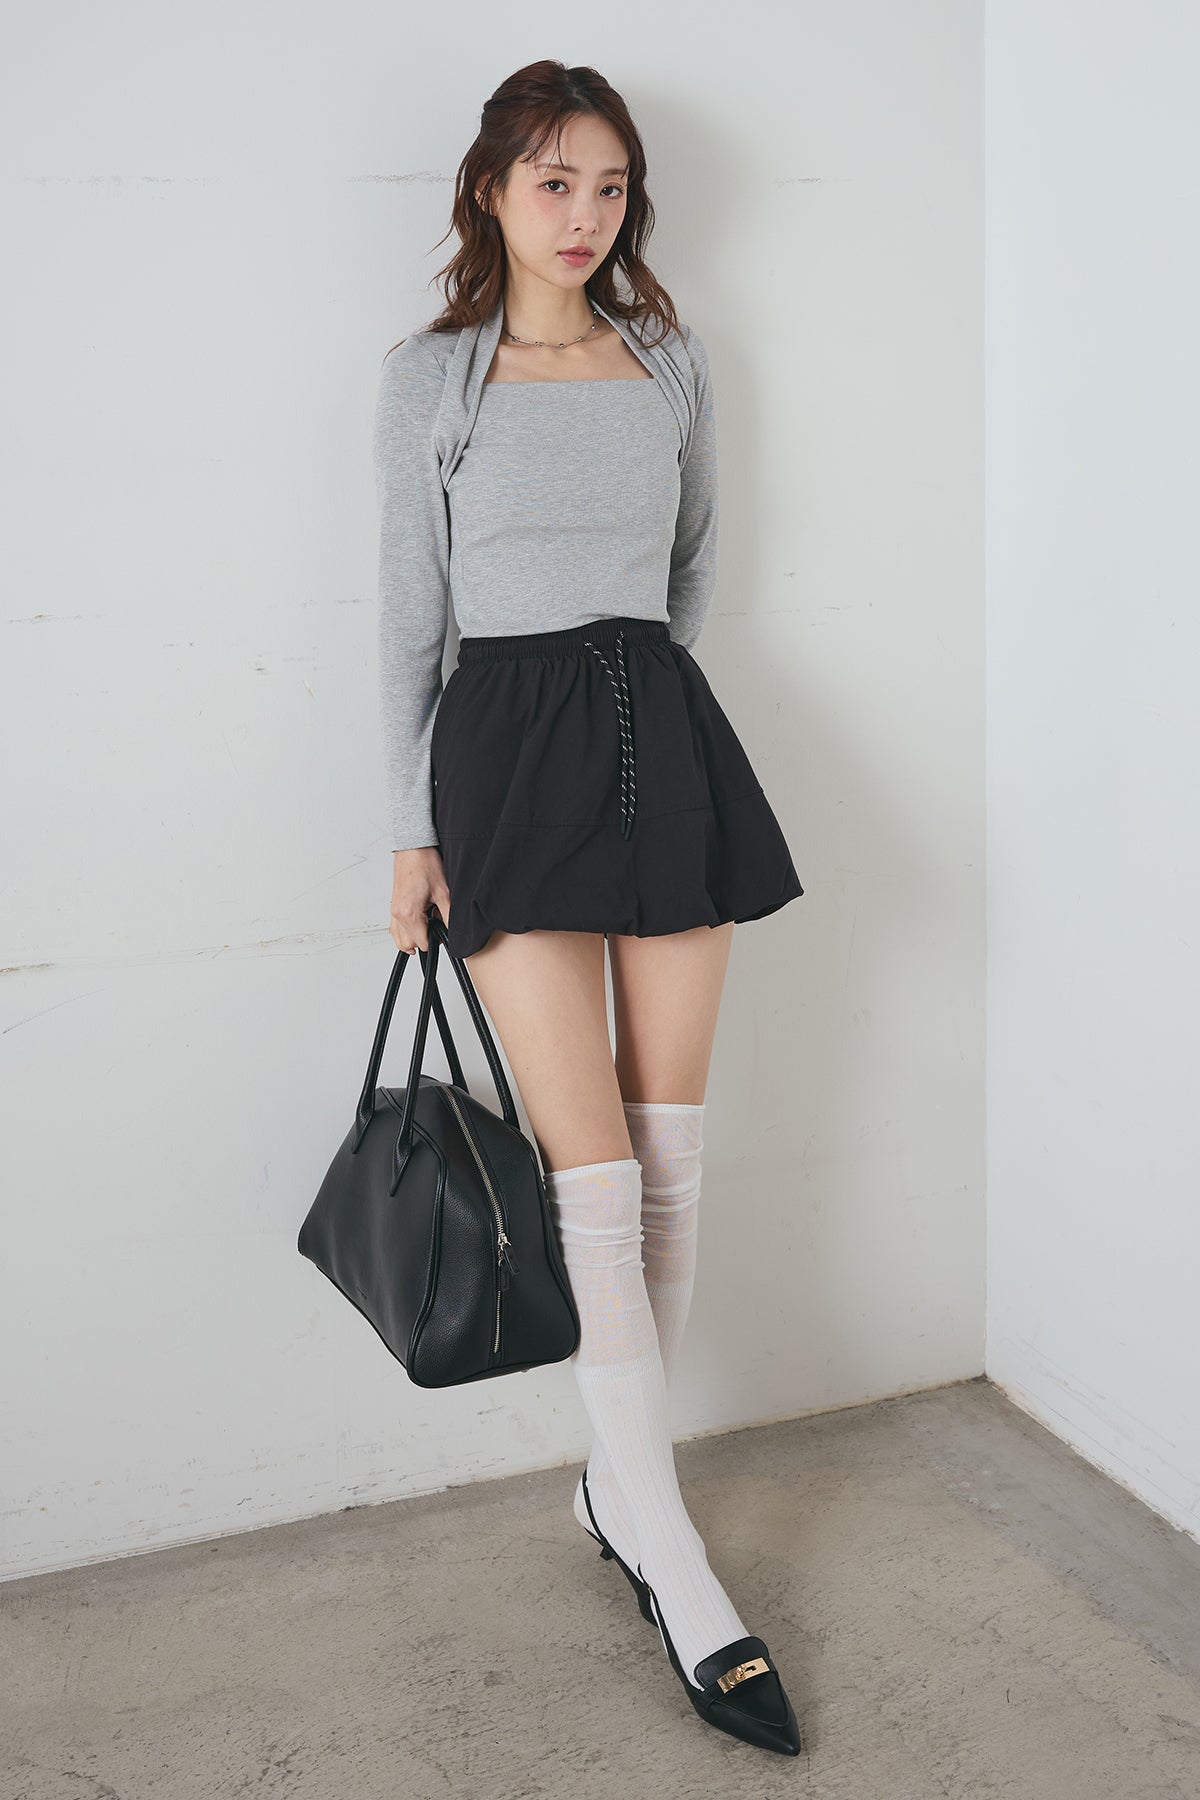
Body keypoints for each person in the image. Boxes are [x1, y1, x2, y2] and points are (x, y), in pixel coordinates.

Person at [373, 58, 806, 1756]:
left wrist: (637, 704)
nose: (584, 214)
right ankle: (675, 1559)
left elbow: (693, 566)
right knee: (595, 1176)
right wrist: (407, 833)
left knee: (671, 1151)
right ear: (491, 190)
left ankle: (619, 1497)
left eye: (610, 185)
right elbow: (408, 622)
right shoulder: (433, 379)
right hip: (501, 752)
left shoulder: (674, 362)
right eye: (553, 181)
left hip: (658, 732)